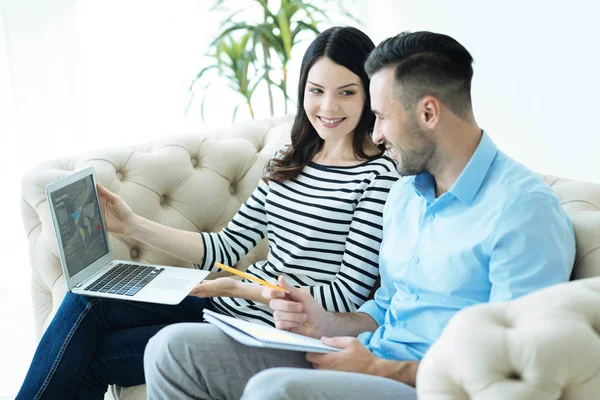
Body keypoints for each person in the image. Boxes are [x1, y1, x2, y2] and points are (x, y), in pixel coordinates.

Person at [143, 31, 576, 400]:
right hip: (367, 353)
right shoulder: (408, 193)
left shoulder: (522, 210)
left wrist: (381, 370)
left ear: (428, 113)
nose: (376, 133)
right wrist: (321, 320)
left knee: (273, 391)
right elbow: (384, 306)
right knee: (172, 348)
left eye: (383, 117)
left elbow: (514, 364)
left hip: (427, 384)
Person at [16, 26, 398, 400]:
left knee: (97, 356)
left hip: (272, 330)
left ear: (369, 95)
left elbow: (346, 297)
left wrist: (242, 288)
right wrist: (132, 225)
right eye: (316, 91)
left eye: (346, 93)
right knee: (87, 298)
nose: (327, 107)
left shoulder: (377, 176)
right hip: (225, 307)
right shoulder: (291, 159)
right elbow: (227, 246)